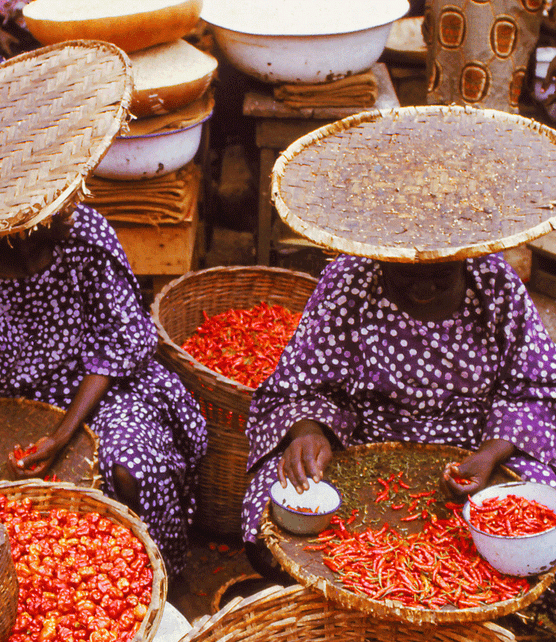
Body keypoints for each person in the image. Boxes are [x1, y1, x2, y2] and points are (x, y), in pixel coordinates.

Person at [241, 252, 556, 573]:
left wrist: (489, 455)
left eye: (442, 275)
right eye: (406, 274)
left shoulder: (494, 281)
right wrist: (308, 431)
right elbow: (301, 380)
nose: (423, 288)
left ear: (464, 260)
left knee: (542, 505)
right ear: (384, 257)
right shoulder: (351, 278)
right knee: (274, 502)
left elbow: (535, 386)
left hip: (472, 455)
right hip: (359, 443)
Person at [0, 205, 208, 580]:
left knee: (136, 469)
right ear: (16, 225)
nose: (71, 210)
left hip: (107, 383)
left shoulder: (85, 234)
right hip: (14, 402)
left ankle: (162, 582)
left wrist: (63, 433)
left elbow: (121, 339)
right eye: (53, 205)